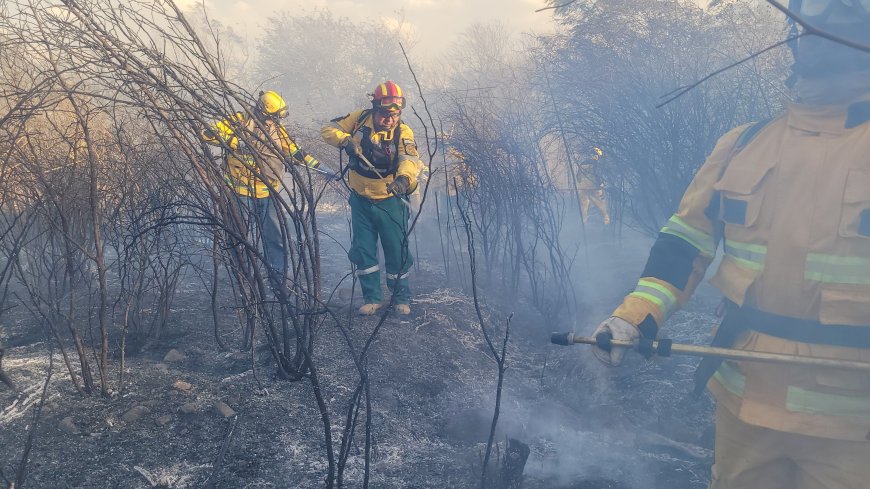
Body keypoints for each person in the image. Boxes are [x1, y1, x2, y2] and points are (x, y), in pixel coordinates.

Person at [590, 2, 870, 488]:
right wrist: (636, 314)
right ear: (793, 33)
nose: (828, 28)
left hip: (853, 423)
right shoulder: (743, 145)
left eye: (846, 12)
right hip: (745, 403)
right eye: (816, 13)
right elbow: (685, 239)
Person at [201, 90, 321, 291]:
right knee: (239, 236)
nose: (276, 121)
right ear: (265, 111)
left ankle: (278, 277)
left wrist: (318, 166)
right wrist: (236, 142)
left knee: (274, 237)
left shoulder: (276, 129)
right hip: (240, 192)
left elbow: (294, 151)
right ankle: (241, 276)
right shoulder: (239, 120)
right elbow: (207, 133)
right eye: (274, 116)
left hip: (268, 192)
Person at [321, 80, 422, 316]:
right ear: (375, 107)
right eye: (385, 113)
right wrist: (346, 141)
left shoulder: (403, 132)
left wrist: (403, 179)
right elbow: (327, 130)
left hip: (390, 200)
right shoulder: (358, 118)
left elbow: (409, 159)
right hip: (360, 200)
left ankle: (401, 297)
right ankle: (372, 298)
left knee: (397, 250)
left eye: (395, 114)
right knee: (364, 249)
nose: (390, 119)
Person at [576, 147, 610, 225]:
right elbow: (597, 175)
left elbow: (578, 177)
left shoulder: (582, 164)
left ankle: (584, 224)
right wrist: (601, 184)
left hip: (583, 188)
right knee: (601, 206)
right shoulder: (595, 164)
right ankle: (607, 223)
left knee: (584, 208)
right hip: (594, 188)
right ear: (596, 156)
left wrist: (582, 184)